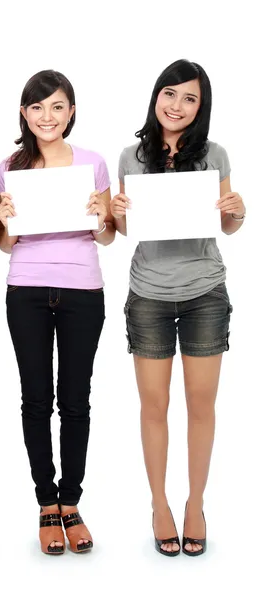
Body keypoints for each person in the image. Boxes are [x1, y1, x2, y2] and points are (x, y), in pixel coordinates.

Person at [110, 59, 245, 557]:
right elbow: (127, 233)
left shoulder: (214, 155)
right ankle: (160, 504)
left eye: (190, 98)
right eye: (171, 94)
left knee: (201, 403)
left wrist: (238, 212)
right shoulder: (131, 156)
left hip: (205, 291)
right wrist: (117, 213)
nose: (178, 105)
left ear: (200, 107)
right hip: (148, 292)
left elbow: (226, 227)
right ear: (156, 96)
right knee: (154, 405)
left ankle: (195, 504)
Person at [0, 69, 115, 554]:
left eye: (58, 106)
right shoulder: (9, 166)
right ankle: (46, 502)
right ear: (25, 114)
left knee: (76, 399)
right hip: (25, 288)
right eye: (38, 107)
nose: (48, 116)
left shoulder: (93, 164)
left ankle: (72, 501)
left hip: (82, 289)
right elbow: (5, 245)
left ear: (71, 112)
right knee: (35, 399)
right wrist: (5, 222)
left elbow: (107, 235)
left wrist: (102, 215)